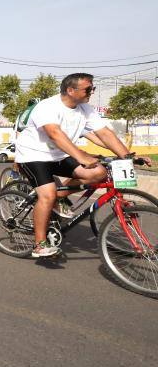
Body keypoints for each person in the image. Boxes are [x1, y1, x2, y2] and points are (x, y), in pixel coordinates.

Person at [14, 72, 152, 257]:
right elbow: (54, 134)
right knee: (46, 195)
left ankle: (60, 196)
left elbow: (105, 134)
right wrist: (81, 156)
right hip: (34, 155)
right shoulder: (47, 107)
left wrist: (127, 156)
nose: (91, 92)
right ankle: (39, 244)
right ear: (70, 90)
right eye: (88, 89)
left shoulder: (86, 109)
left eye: (92, 88)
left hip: (59, 155)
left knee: (99, 173)